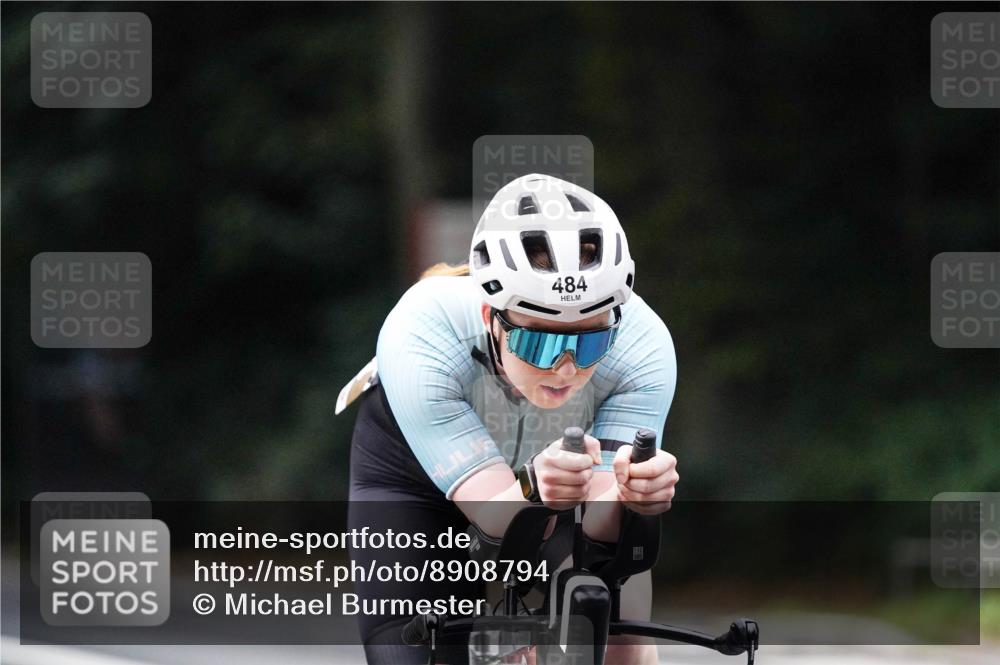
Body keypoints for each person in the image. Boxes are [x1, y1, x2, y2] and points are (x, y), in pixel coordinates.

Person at [343, 173, 679, 664]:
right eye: (539, 341)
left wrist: (633, 496)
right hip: (417, 479)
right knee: (413, 646)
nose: (566, 367)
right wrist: (533, 490)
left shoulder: (644, 347)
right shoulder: (420, 329)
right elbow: (495, 519)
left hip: (551, 475)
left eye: (589, 341)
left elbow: (600, 532)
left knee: (619, 629)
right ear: (489, 317)